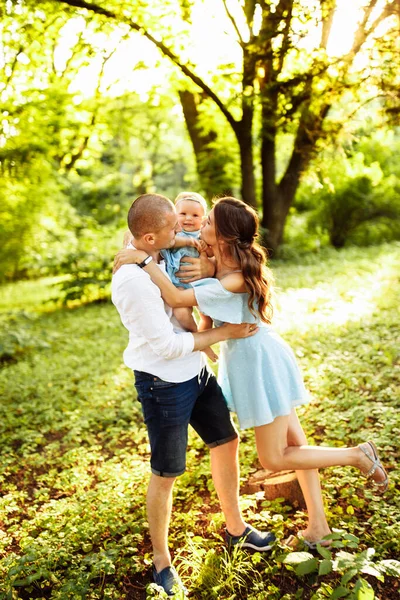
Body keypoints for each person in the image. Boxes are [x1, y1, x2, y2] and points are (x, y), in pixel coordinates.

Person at [113, 195, 389, 550]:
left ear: (225, 236)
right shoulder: (217, 263)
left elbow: (179, 298)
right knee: (295, 444)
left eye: (208, 221)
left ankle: (357, 455)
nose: (197, 226)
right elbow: (147, 228)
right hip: (256, 357)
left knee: (274, 457)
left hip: (258, 362)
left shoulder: (235, 277)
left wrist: (141, 262)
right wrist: (148, 249)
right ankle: (318, 525)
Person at [111, 194, 275, 597]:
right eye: (172, 230)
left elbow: (201, 262)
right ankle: (162, 564)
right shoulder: (132, 280)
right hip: (163, 382)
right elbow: (168, 346)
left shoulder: (158, 252)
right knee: (167, 473)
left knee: (227, 441)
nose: (182, 233)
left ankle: (236, 529)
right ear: (150, 237)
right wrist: (224, 333)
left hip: (196, 374)